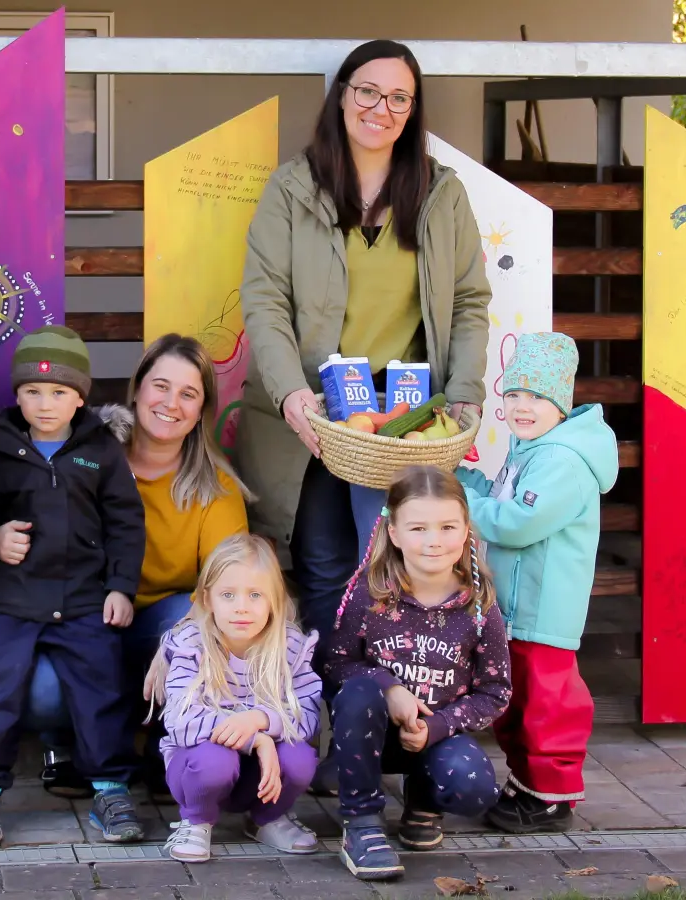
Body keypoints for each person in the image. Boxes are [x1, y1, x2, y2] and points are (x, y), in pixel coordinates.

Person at [237, 39, 492, 670]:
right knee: (321, 561)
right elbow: (264, 300)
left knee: (393, 561)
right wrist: (290, 394)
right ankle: (333, 705)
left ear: (413, 109)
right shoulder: (293, 188)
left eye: (400, 97)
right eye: (369, 91)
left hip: (403, 413)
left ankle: (388, 712)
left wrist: (464, 395)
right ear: (342, 95)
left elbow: (467, 301)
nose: (383, 107)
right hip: (319, 406)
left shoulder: (440, 194)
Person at [15, 334, 252, 799]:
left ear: (202, 408)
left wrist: (177, 647)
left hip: (157, 632)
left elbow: (229, 592)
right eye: (160, 386)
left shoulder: (216, 489)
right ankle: (66, 747)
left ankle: (167, 741)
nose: (170, 403)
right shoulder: (83, 456)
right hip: (78, 618)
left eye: (188, 394)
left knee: (189, 621)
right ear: (137, 389)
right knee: (42, 691)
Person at [0, 326, 149, 846]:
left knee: (101, 688)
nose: (45, 404)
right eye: (33, 392)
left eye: (59, 393)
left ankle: (109, 789)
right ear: (16, 395)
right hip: (10, 599)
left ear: (80, 397)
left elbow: (126, 523)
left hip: (84, 599)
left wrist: (120, 587)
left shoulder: (99, 450)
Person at [455, 333, 618, 834]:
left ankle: (552, 793)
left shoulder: (563, 462)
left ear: (561, 404)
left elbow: (516, 523)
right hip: (515, 606)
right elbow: (499, 494)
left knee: (548, 701)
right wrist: (457, 474)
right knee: (516, 699)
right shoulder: (529, 448)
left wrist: (460, 503)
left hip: (546, 609)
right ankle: (527, 783)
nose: (521, 407)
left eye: (536, 396)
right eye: (513, 394)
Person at [323, 465, 511, 881]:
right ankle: (362, 822)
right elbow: (337, 662)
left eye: (447, 527)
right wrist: (388, 689)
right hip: (371, 733)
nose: (433, 541)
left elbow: (495, 691)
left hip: (433, 738)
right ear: (393, 533)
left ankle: (424, 801)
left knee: (474, 784)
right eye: (418, 528)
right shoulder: (368, 594)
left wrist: (440, 726)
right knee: (356, 694)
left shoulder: (478, 607)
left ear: (465, 529)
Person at [147, 534, 322, 863]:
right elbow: (180, 722)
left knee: (300, 758)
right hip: (200, 769)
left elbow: (310, 716)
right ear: (207, 599)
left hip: (260, 777)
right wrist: (257, 740)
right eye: (228, 595)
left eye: (255, 595)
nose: (241, 606)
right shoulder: (191, 644)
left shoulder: (291, 646)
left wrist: (260, 719)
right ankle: (196, 821)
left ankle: (268, 818)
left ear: (275, 601)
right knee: (216, 759)